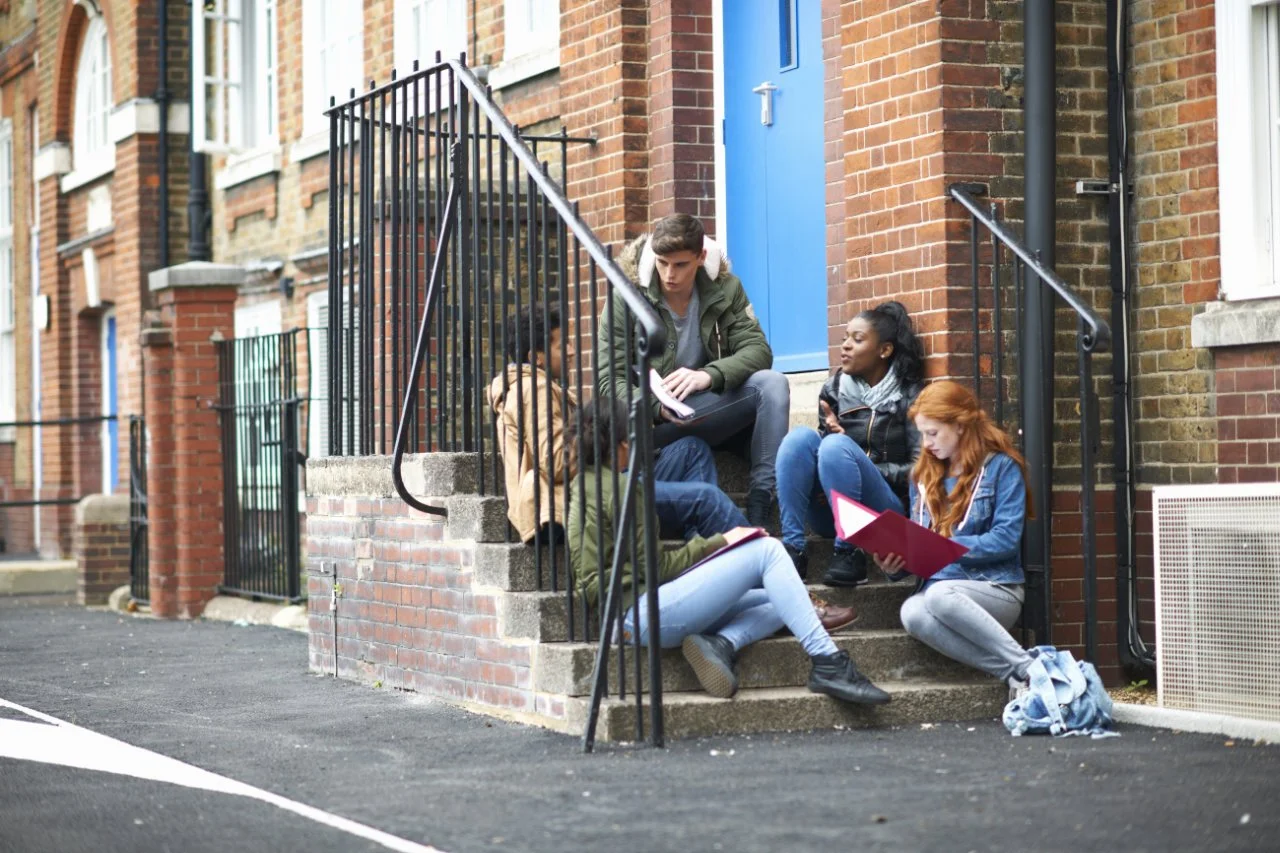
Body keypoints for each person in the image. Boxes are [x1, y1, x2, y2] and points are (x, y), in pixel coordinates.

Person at [567, 397, 883, 704]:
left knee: (786, 597)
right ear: (622, 443)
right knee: (769, 550)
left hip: (627, 615)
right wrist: (723, 542)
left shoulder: (584, 484)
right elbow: (657, 568)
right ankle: (828, 661)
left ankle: (722, 643)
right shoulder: (623, 489)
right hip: (639, 614)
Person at [489, 305, 745, 546]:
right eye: (561, 345)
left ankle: (700, 542)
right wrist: (607, 436)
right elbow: (557, 460)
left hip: (603, 478)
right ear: (537, 357)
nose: (571, 350)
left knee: (692, 449)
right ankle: (755, 551)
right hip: (591, 495)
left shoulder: (540, 386)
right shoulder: (534, 389)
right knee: (706, 498)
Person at [597, 213, 789, 528]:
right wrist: (656, 406)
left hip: (708, 408)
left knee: (773, 384)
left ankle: (761, 500)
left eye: (680, 264)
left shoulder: (725, 288)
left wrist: (708, 375)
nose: (669, 274)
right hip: (656, 424)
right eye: (662, 263)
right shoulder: (626, 297)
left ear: (700, 257)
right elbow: (608, 381)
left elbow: (758, 351)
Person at [873, 380, 1035, 689]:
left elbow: (1005, 539)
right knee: (912, 612)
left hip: (993, 588)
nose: (926, 443)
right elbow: (918, 545)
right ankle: (1014, 673)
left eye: (932, 433)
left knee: (939, 595)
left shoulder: (1002, 468)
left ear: (960, 425)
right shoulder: (921, 476)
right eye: (921, 434)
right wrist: (897, 564)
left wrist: (944, 546)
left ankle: (1030, 667)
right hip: (940, 592)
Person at [774, 301, 925, 584]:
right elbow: (823, 459)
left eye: (857, 340)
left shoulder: (910, 394)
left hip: (884, 511)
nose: (845, 346)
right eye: (845, 338)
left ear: (884, 350)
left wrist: (859, 463)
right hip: (831, 513)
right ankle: (793, 548)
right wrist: (834, 453)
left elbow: (920, 470)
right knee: (799, 439)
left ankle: (849, 553)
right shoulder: (833, 389)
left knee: (835, 447)